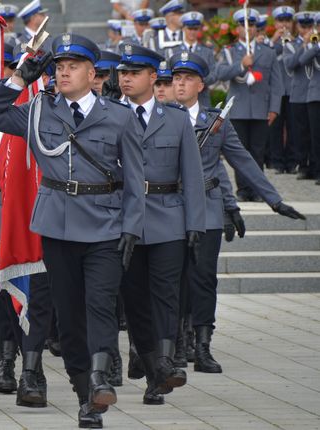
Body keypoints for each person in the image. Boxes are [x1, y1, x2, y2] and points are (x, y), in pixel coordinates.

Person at [0, 33, 146, 429]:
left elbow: (135, 181)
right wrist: (18, 80)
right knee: (68, 320)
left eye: (72, 66)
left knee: (100, 306)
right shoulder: (37, 111)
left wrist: (132, 228)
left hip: (104, 226)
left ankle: (102, 376)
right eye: (59, 67)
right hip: (56, 229)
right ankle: (86, 395)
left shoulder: (118, 116)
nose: (63, 72)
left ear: (92, 73)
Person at [172, 50, 305, 376]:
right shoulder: (161, 118)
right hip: (170, 207)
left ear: (201, 84)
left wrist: (274, 200)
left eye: (187, 78)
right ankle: (177, 342)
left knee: (204, 279)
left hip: (207, 207)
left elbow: (244, 161)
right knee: (174, 279)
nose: (180, 84)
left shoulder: (216, 122)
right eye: (176, 78)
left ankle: (202, 345)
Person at [117, 44, 206, 406]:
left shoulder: (176, 118)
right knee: (135, 300)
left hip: (168, 215)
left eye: (134, 72)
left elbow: (192, 173)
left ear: (153, 77)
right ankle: (150, 361)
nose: (125, 78)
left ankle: (165, 364)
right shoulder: (110, 115)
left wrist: (195, 222)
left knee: (166, 295)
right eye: (122, 72)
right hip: (125, 221)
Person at [216, 8, 283, 202]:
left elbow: (276, 84)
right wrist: (241, 65)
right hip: (238, 109)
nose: (248, 29)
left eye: (252, 25)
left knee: (258, 152)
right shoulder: (229, 52)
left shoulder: (268, 52)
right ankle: (243, 190)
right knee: (239, 152)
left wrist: (274, 108)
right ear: (238, 29)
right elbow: (220, 73)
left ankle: (258, 190)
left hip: (261, 109)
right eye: (244, 25)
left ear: (256, 28)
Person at [286, 12, 317, 182]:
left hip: (314, 95)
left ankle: (315, 164)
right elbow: (290, 65)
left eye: (308, 26)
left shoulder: (317, 42)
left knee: (314, 133)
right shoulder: (291, 44)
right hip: (298, 94)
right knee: (300, 133)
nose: (306, 30)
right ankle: (302, 165)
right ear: (297, 27)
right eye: (303, 26)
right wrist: (303, 46)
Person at [268, 6, 297, 175]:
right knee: (276, 127)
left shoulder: (297, 42)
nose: (284, 25)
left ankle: (292, 162)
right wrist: (273, 40)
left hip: (293, 90)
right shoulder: (269, 43)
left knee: (293, 127)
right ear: (275, 22)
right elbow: (264, 57)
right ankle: (276, 161)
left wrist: (292, 42)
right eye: (281, 21)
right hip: (276, 90)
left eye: (287, 21)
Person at [170, 11, 216, 106]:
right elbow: (169, 74)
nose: (192, 32)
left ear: (199, 30)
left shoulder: (207, 51)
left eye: (195, 29)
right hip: (179, 99)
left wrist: (197, 82)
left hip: (202, 99)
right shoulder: (174, 51)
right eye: (189, 28)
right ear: (183, 29)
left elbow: (214, 75)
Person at [299, 12, 320, 185]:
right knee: (316, 137)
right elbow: (302, 60)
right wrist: (317, 46)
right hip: (315, 96)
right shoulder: (314, 45)